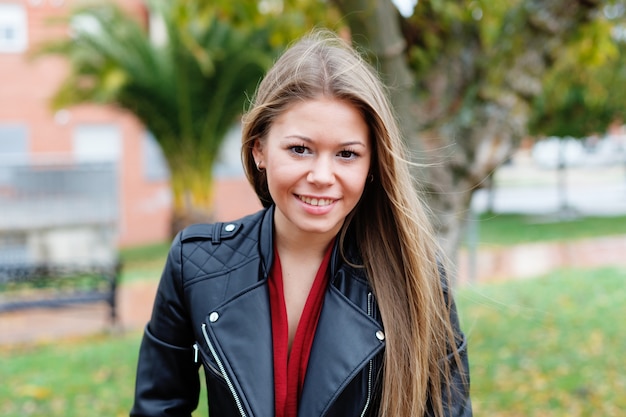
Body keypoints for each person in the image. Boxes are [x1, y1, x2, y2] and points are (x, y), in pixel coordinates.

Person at [130, 30, 471, 417]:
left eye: (346, 154)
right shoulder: (194, 265)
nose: (322, 175)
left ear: (373, 163)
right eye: (300, 149)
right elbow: (157, 407)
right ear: (259, 149)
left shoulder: (416, 274)